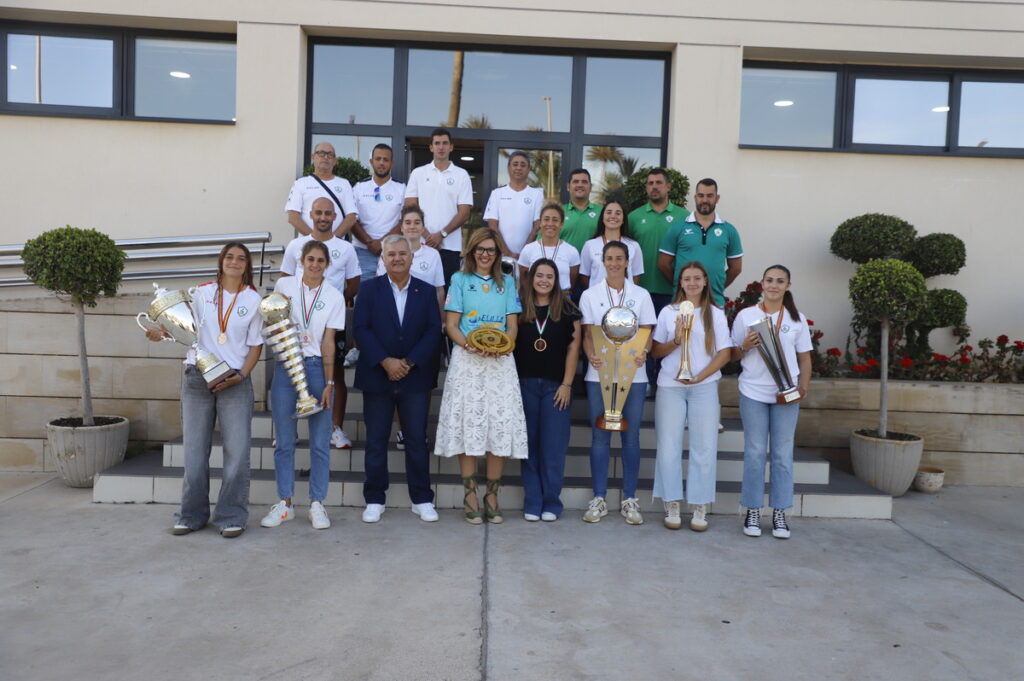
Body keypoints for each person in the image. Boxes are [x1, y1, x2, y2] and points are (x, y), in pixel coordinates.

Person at [145, 243, 264, 538]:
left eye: (241, 259)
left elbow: (256, 345)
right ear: (221, 262)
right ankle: (191, 515)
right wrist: (161, 333)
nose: (234, 262)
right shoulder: (201, 293)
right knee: (195, 453)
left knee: (237, 453)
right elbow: (180, 327)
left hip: (234, 382)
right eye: (229, 257)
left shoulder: (253, 299)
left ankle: (231, 516)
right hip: (197, 379)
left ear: (247, 265)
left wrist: (242, 375)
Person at [434, 228, 528, 524]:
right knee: (469, 422)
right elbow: (451, 325)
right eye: (480, 249)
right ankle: (470, 493)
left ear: (498, 254)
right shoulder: (459, 280)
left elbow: (512, 325)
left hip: (500, 361)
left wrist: (504, 345)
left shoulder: (508, 283)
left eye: (491, 250)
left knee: (498, 423)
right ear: (471, 251)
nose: (485, 254)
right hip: (468, 361)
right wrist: (472, 345)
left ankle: (492, 495)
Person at [354, 235, 442, 523]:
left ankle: (422, 499)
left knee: (416, 440)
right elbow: (361, 330)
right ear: (383, 258)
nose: (397, 258)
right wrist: (386, 361)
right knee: (376, 440)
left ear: (412, 257)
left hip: (415, 377)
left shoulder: (426, 292)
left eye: (402, 253)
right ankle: (375, 499)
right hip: (377, 376)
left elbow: (432, 332)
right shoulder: (368, 290)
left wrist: (408, 362)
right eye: (391, 254)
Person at [261, 241, 346, 531]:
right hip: (286, 367)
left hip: (316, 368)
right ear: (302, 260)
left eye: (321, 260)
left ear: (327, 264)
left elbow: (329, 341)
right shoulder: (284, 287)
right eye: (311, 259)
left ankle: (317, 504)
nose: (315, 265)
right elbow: (273, 325)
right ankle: (284, 503)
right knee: (284, 441)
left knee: (320, 442)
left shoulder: (334, 295)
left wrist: (330, 381)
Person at [731, 264, 812, 540]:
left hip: (786, 394)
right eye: (769, 280)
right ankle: (752, 509)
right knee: (754, 452)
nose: (774, 285)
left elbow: (805, 358)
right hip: (753, 391)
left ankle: (780, 512)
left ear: (788, 286)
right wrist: (745, 346)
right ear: (762, 284)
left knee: (782, 454)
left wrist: (803, 387)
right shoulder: (746, 316)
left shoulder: (796, 319)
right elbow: (733, 354)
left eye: (780, 281)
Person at [650, 261, 733, 531]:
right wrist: (676, 338)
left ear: (705, 281)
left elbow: (725, 353)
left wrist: (701, 376)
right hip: (671, 386)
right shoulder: (668, 312)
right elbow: (656, 352)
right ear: (681, 282)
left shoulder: (715, 314)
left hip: (704, 386)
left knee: (704, 446)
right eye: (687, 278)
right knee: (669, 445)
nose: (693, 283)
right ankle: (672, 502)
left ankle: (699, 505)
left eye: (698, 278)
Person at [579, 241, 656, 525]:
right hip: (598, 373)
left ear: (627, 262)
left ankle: (629, 499)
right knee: (600, 435)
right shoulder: (590, 294)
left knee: (631, 437)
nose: (613, 263)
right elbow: (588, 333)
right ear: (602, 261)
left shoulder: (641, 294)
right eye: (609, 258)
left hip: (633, 375)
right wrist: (589, 355)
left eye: (619, 258)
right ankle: (598, 498)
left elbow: (647, 331)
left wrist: (644, 353)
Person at [280, 197, 360, 449]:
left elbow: (354, 282)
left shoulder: (345, 248)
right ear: (310, 215)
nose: (323, 217)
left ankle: (335, 428)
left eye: (328, 213)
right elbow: (284, 282)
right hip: (296, 324)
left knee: (334, 375)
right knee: (292, 372)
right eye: (318, 213)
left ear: (335, 217)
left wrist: (333, 306)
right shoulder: (296, 245)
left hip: (329, 324)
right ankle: (287, 430)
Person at [514, 259, 582, 522]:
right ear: (531, 279)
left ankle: (552, 501)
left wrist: (567, 384)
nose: (544, 280)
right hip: (525, 385)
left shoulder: (568, 310)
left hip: (556, 387)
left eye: (549, 276)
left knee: (553, 448)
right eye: (539, 275)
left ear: (557, 281)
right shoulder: (519, 308)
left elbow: (573, 350)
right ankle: (533, 500)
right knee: (529, 446)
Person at [657, 178, 743, 307]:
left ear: (717, 198)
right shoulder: (678, 228)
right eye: (701, 195)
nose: (704, 200)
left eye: (710, 196)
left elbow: (736, 268)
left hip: (715, 302)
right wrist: (680, 283)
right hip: (682, 302)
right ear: (695, 197)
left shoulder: (729, 230)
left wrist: (717, 285)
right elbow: (663, 264)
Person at [404, 128, 473, 287]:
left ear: (451, 147)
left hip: (449, 248)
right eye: (437, 143)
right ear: (431, 147)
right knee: (417, 291)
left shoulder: (461, 175)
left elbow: (464, 213)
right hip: (418, 244)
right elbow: (410, 207)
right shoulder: (418, 173)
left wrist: (441, 235)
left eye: (444, 143)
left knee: (446, 294)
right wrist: (428, 236)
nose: (441, 147)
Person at [628, 168, 690, 311]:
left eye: (659, 183)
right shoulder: (633, 217)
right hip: (640, 290)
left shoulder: (684, 217)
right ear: (646, 188)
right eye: (650, 183)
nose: (654, 186)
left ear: (668, 186)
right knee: (643, 333)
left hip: (672, 291)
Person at [352, 143, 405, 282]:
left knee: (390, 297)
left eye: (386, 160)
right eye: (378, 159)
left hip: (392, 252)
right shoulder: (358, 188)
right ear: (371, 161)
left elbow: (403, 221)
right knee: (363, 297)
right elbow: (351, 220)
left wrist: (382, 243)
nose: (381, 163)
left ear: (391, 163)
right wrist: (370, 242)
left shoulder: (401, 189)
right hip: (362, 251)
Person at [377, 205, 445, 311]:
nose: (412, 226)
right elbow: (381, 287)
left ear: (423, 228)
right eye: (408, 223)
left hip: (424, 311)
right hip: (392, 310)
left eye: (417, 223)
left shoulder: (433, 254)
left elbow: (439, 290)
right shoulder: (387, 252)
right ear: (401, 227)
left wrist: (442, 320)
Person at [285, 141, 358, 237]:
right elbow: (293, 217)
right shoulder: (300, 183)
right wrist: (315, 240)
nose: (326, 157)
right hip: (308, 246)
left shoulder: (344, 184)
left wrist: (332, 240)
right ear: (313, 157)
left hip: (336, 246)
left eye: (330, 154)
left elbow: (351, 217)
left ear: (335, 161)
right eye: (321, 153)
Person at [484, 151, 544, 258]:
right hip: (500, 255)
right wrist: (507, 252)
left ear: (529, 169)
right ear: (508, 167)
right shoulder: (497, 194)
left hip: (528, 256)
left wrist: (524, 253)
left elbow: (537, 227)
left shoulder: (537, 195)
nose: (519, 168)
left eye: (523, 165)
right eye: (515, 164)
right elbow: (492, 226)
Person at [578, 200, 644, 289]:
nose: (613, 216)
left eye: (618, 213)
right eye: (609, 212)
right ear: (602, 217)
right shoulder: (590, 245)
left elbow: (636, 276)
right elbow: (585, 276)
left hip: (625, 299)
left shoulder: (633, 246)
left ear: (623, 219)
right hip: (598, 298)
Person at [517, 202, 580, 293]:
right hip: (535, 300)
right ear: (540, 223)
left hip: (562, 300)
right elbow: (523, 277)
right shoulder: (528, 250)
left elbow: (572, 280)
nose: (550, 224)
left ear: (561, 224)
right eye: (546, 219)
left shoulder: (571, 251)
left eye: (555, 220)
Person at [558, 168, 602, 254]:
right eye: (576, 181)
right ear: (568, 186)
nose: (580, 185)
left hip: (594, 266)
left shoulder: (602, 212)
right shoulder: (558, 212)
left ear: (590, 187)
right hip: (564, 265)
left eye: (584, 182)